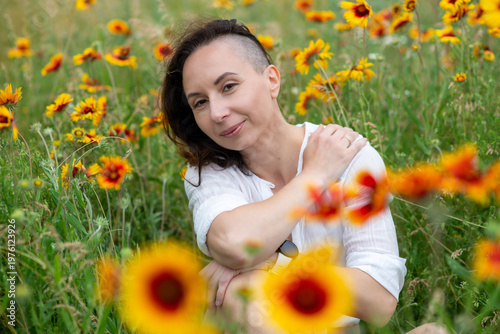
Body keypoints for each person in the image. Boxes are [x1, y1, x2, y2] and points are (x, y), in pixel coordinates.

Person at [160, 18, 407, 333]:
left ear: (272, 80)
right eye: (200, 102)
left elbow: (379, 299)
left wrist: (268, 267)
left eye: (228, 86)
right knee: (241, 296)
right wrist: (315, 176)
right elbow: (235, 243)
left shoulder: (348, 155)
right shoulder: (207, 172)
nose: (217, 112)